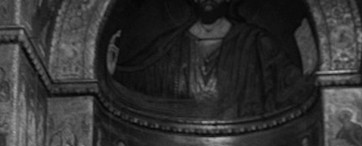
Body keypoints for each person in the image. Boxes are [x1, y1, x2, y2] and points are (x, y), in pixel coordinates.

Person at [112, 0, 312, 119]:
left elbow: (292, 85)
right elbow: (137, 81)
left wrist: (311, 70)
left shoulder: (256, 43)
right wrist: (110, 69)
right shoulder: (170, 45)